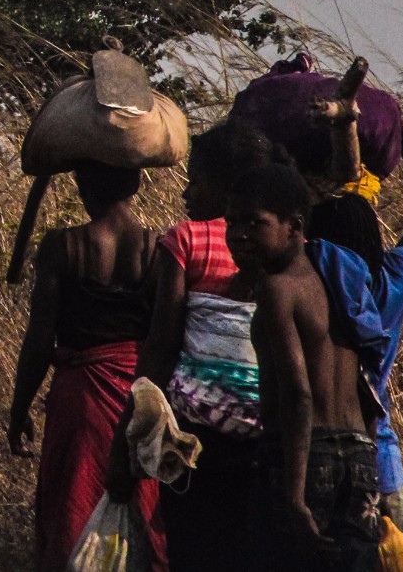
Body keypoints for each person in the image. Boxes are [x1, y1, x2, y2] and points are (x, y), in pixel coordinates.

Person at [126, 121, 283, 571]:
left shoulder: (186, 239)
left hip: (195, 437)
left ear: (225, 186)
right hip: (263, 436)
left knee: (194, 549)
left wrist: (132, 434)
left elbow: (161, 343)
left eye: (195, 181)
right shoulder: (281, 243)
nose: (186, 194)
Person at [227, 161, 386, 571]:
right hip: (359, 457)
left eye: (254, 223)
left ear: (294, 228)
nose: (238, 235)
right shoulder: (334, 278)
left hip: (305, 457)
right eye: (232, 223)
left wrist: (295, 499)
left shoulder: (278, 289)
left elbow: (298, 394)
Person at [7, 161, 165, 572]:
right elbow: (164, 338)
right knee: (139, 509)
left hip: (79, 401)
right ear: (134, 184)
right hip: (139, 397)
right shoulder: (157, 249)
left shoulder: (62, 246)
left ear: (81, 186)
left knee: (71, 511)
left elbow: (40, 339)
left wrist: (19, 409)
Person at [308, 96, 403, 534]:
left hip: (313, 456)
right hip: (382, 465)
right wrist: (402, 134)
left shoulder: (305, 283)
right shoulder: (392, 287)